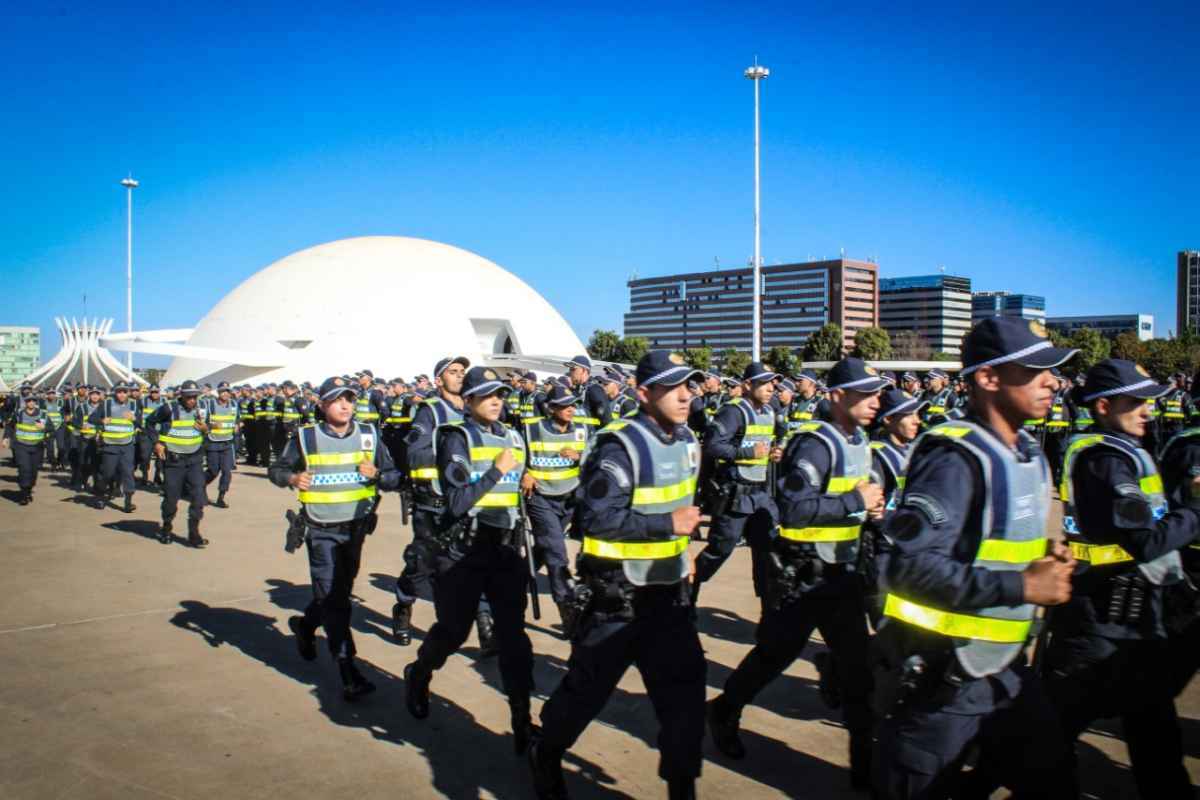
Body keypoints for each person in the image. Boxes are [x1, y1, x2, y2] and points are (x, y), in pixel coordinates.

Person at [870, 316, 1077, 799]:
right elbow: (909, 568)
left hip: (1005, 671)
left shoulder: (1026, 451)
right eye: (1035, 370)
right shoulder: (955, 457)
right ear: (988, 379)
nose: (1052, 381)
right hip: (946, 680)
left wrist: (1045, 556)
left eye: (1052, 370)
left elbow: (991, 545)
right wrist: (1023, 586)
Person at [530, 351, 706, 800]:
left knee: (685, 705)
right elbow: (597, 520)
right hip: (617, 600)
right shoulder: (619, 445)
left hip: (669, 597)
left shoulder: (687, 441)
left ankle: (682, 788)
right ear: (644, 393)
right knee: (585, 695)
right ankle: (546, 751)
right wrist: (669, 526)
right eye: (672, 386)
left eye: (689, 384)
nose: (686, 394)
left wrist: (682, 553)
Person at [707, 357, 886, 789]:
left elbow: (851, 502)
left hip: (842, 576)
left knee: (860, 677)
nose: (876, 401)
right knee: (774, 656)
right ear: (839, 397)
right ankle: (725, 709)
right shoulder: (815, 443)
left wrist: (871, 510)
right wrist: (855, 502)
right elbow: (796, 509)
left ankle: (866, 774)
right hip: (805, 576)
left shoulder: (860, 440)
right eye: (867, 393)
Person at [1045, 358, 1200, 797]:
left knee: (1155, 734)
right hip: (1100, 617)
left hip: (1132, 616)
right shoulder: (1104, 460)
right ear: (1103, 405)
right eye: (1136, 401)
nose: (1148, 410)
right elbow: (1146, 542)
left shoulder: (1126, 451)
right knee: (1046, 733)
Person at [403, 366, 537, 756]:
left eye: (501, 394)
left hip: (505, 550)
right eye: (487, 394)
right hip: (463, 552)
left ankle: (522, 719)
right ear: (470, 400)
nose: (497, 400)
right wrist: (499, 470)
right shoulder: (456, 438)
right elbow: (459, 501)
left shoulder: (513, 436)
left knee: (513, 638)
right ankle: (419, 673)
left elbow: (513, 489)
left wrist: (523, 476)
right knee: (454, 630)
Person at [270, 376, 402, 700]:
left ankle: (305, 626)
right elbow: (276, 469)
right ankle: (348, 671)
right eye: (337, 399)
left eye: (350, 399)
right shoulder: (306, 438)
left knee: (336, 595)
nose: (345, 405)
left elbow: (396, 477)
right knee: (336, 603)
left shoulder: (369, 435)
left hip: (356, 530)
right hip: (321, 530)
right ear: (322, 404)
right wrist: (292, 477)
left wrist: (380, 476)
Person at [395, 356, 499, 652]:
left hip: (470, 502)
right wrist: (452, 454)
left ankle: (485, 628)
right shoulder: (430, 412)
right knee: (422, 566)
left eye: (462, 372)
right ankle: (403, 603)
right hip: (434, 504)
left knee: (475, 564)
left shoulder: (476, 409)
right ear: (439, 380)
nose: (459, 376)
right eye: (453, 372)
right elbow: (414, 454)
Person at [693, 362, 783, 598]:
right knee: (720, 549)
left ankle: (768, 608)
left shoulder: (769, 411)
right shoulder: (734, 411)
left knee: (767, 551)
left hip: (760, 494)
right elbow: (713, 447)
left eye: (772, 383)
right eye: (763, 383)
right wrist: (747, 453)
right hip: (735, 494)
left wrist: (774, 453)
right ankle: (686, 589)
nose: (770, 388)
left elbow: (762, 445)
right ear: (747, 385)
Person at [519, 383, 593, 632]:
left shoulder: (583, 428)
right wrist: (523, 473)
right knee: (557, 552)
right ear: (551, 408)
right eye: (564, 405)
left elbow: (599, 457)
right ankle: (567, 608)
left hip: (569, 498)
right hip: (540, 497)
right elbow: (512, 453)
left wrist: (580, 457)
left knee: (544, 547)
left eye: (573, 404)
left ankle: (513, 581)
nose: (570, 409)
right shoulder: (531, 428)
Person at [146, 380, 210, 547]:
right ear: (182, 396)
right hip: (174, 461)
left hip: (194, 459)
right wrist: (156, 443)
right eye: (189, 397)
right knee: (171, 499)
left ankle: (194, 533)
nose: (192, 400)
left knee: (198, 497)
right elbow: (149, 423)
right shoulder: (169, 408)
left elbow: (206, 428)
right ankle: (166, 528)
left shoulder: (202, 408)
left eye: (195, 397)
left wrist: (206, 429)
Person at [89, 382, 140, 512]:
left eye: (124, 391)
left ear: (128, 392)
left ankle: (128, 503)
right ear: (115, 393)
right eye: (119, 392)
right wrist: (101, 421)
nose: (122, 394)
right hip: (110, 445)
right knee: (108, 473)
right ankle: (100, 496)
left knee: (128, 473)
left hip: (127, 445)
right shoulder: (106, 404)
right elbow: (91, 418)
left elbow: (141, 424)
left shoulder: (134, 404)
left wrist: (134, 419)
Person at [11, 392, 53, 505]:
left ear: (36, 402)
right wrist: (5, 438)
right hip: (21, 446)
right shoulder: (19, 413)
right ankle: (24, 495)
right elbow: (10, 426)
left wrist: (44, 427)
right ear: (26, 403)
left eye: (33, 401)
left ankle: (28, 490)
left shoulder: (43, 414)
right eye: (29, 401)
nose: (31, 403)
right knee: (24, 469)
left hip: (37, 447)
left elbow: (51, 428)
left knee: (33, 472)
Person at [203, 382, 240, 508]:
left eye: (228, 391)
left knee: (227, 472)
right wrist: (212, 426)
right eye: (223, 391)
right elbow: (201, 422)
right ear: (218, 392)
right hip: (212, 442)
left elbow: (238, 419)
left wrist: (237, 425)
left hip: (227, 443)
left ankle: (221, 497)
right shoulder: (210, 404)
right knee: (213, 471)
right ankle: (200, 486)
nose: (225, 394)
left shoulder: (234, 404)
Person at [70, 386, 102, 492]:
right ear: (89, 395)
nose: (95, 396)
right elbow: (73, 421)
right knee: (84, 463)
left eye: (97, 394)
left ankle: (97, 485)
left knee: (97, 463)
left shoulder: (104, 407)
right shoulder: (82, 407)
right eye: (93, 394)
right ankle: (82, 481)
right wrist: (81, 426)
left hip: (99, 440)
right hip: (85, 440)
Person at [42, 388, 66, 470]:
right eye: (49, 393)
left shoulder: (61, 402)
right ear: (47, 395)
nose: (51, 395)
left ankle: (60, 461)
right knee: (50, 449)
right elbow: (41, 416)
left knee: (61, 447)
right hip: (48, 429)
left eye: (53, 393)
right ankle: (53, 463)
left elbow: (67, 411)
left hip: (60, 428)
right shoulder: (43, 403)